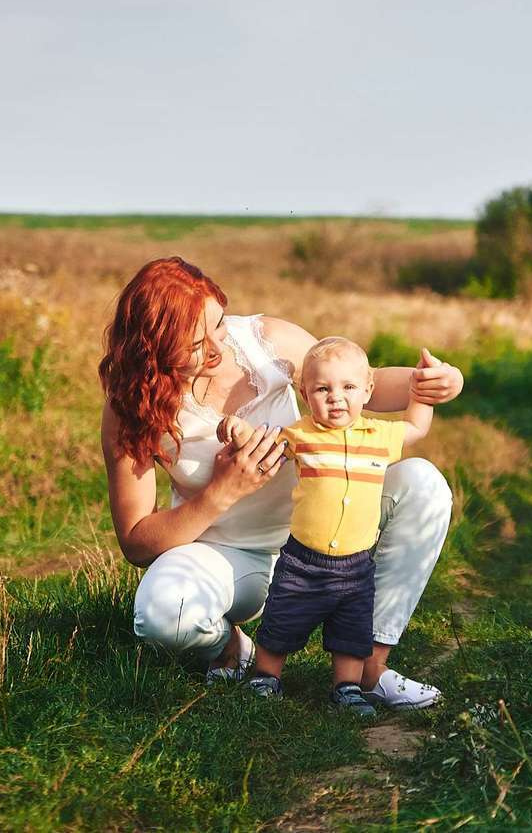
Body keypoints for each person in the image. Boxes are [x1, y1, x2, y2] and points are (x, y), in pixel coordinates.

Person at [98, 256, 463, 711]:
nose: (217, 345)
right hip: (234, 559)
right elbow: (136, 542)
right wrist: (222, 491)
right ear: (152, 347)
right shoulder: (131, 407)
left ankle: (371, 665)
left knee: (422, 482)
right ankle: (231, 648)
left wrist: (427, 382)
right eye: (196, 342)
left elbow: (351, 381)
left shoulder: (264, 340)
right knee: (162, 615)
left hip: (326, 537)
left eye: (218, 324)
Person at [218, 336, 432, 715]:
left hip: (356, 563)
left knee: (351, 631)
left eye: (348, 387)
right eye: (323, 389)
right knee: (283, 620)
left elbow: (416, 426)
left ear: (368, 390)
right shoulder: (300, 435)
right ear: (306, 394)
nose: (336, 397)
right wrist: (238, 431)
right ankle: (266, 676)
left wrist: (423, 390)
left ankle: (346, 688)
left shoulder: (379, 436)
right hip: (303, 559)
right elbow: (263, 445)